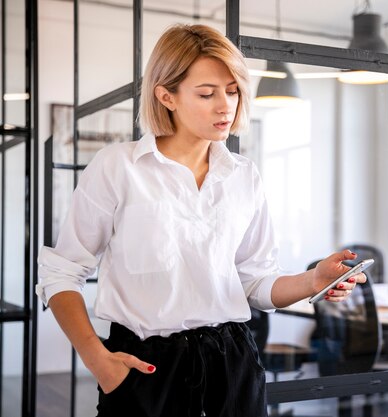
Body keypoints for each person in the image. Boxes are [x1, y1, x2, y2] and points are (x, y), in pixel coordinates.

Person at [36, 24, 366, 417]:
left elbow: (255, 280)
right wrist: (99, 361)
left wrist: (310, 281)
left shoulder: (244, 175)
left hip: (234, 363)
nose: (225, 105)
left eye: (233, 90)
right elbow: (61, 273)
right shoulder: (118, 167)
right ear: (166, 96)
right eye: (207, 93)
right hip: (146, 367)